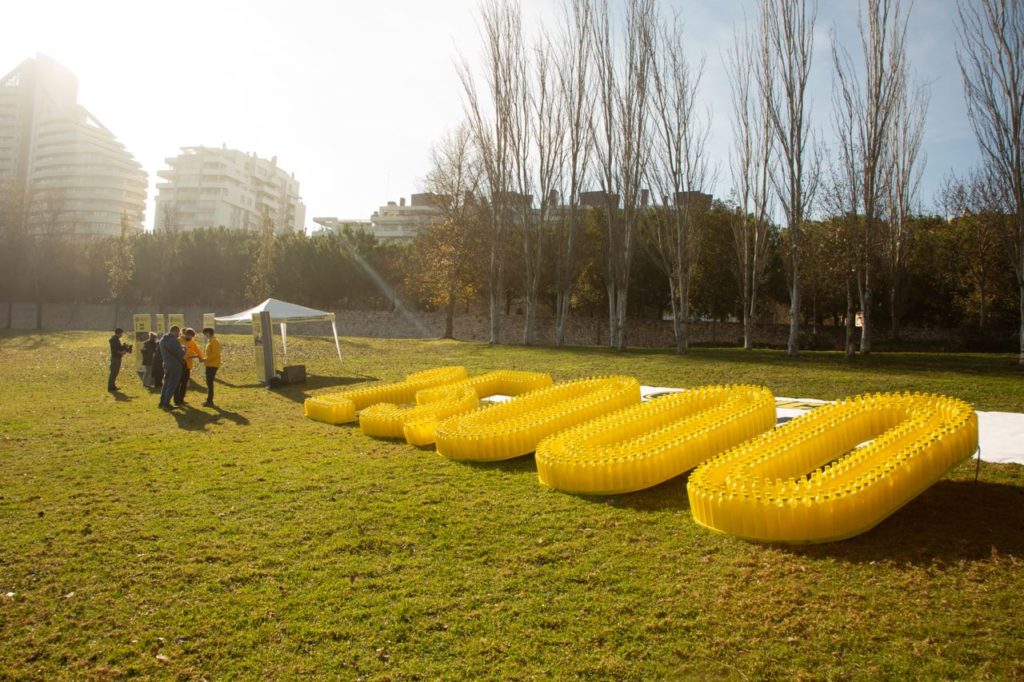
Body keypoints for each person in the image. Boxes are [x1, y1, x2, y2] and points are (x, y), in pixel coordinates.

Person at [175, 327, 205, 406]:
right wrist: (194, 356)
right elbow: (181, 355)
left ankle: (181, 399)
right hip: (179, 365)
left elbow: (198, 351)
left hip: (188, 366)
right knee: (178, 383)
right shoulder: (178, 340)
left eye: (192, 337)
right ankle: (176, 400)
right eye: (189, 336)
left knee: (184, 383)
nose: (190, 338)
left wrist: (201, 357)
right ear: (185, 334)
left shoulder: (192, 342)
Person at [158, 326, 186, 409]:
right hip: (175, 365)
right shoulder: (174, 340)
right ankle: (166, 404)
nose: (179, 334)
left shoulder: (162, 339)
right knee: (172, 384)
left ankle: (162, 402)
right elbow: (180, 353)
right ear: (176, 331)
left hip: (166, 363)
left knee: (166, 384)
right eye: (179, 333)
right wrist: (184, 349)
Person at [201, 327, 221, 407]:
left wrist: (205, 359)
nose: (205, 335)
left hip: (213, 364)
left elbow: (215, 354)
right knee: (208, 382)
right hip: (209, 364)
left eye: (205, 334)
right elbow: (208, 353)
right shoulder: (210, 341)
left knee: (209, 382)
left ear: (209, 333)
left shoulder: (214, 341)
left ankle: (209, 401)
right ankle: (209, 400)